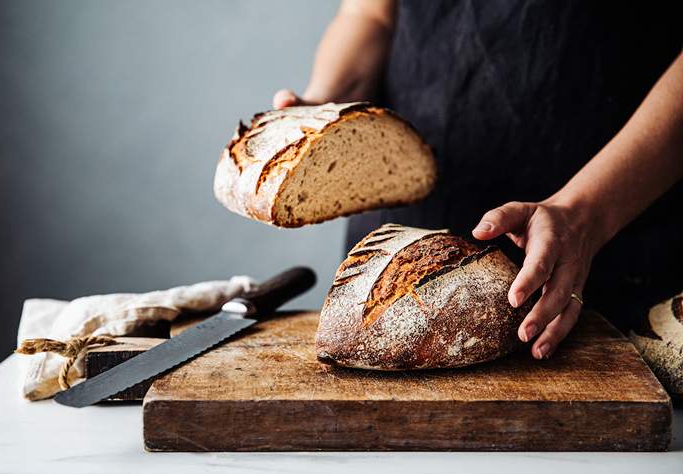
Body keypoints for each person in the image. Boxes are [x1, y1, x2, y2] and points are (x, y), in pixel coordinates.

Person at [273, 0, 683, 360]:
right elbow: (370, 13)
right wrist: (324, 113)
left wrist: (588, 213)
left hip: (616, 220)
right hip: (397, 253)